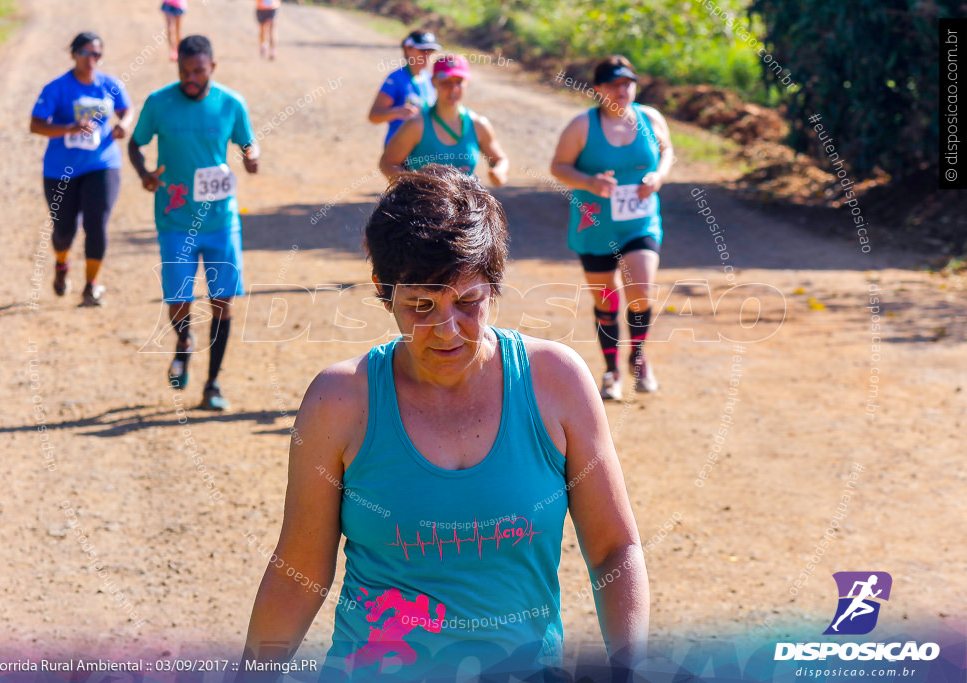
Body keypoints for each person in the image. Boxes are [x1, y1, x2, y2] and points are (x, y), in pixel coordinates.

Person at [243, 165, 648, 680]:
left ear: (495, 287)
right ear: (381, 289)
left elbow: (615, 547)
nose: (446, 329)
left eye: (468, 302)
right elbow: (299, 571)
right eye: (420, 305)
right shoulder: (340, 401)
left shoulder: (556, 382)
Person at [128, 35, 259, 411]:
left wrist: (251, 156)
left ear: (212, 68)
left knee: (223, 301)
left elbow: (248, 141)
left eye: (198, 71)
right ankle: (183, 342)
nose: (190, 78)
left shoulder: (231, 103)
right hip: (175, 220)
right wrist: (145, 174)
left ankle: (212, 384)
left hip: (221, 219)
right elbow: (135, 143)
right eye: (184, 71)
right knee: (179, 298)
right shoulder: (159, 102)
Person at [550, 55, 674, 399]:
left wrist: (658, 177)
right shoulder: (582, 126)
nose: (623, 90)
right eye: (615, 84)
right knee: (606, 300)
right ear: (598, 89)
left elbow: (667, 150)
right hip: (595, 226)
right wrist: (589, 182)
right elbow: (559, 166)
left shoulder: (650, 118)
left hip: (640, 223)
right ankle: (611, 371)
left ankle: (638, 357)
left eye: (628, 83)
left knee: (640, 291)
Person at [30, 31, 133, 307]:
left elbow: (126, 108)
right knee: (64, 232)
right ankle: (62, 264)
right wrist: (68, 128)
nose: (91, 59)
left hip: (102, 164)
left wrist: (124, 124)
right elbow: (36, 124)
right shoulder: (57, 88)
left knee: (96, 225)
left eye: (96, 53)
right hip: (60, 170)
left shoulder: (109, 84)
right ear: (73, 54)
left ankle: (91, 286)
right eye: (85, 53)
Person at [380, 54, 508, 185]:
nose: (453, 89)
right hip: (424, 204)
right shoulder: (416, 125)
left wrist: (499, 172)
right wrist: (412, 188)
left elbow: (499, 159)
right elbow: (388, 163)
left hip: (464, 204)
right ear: (433, 82)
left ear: (467, 83)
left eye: (459, 82)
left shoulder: (478, 125)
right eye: (446, 82)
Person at [367, 30, 440, 146]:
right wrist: (397, 112)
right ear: (408, 49)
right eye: (422, 51)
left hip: (423, 148)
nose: (427, 56)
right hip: (398, 148)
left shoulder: (429, 79)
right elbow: (374, 116)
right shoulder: (395, 79)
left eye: (431, 51)